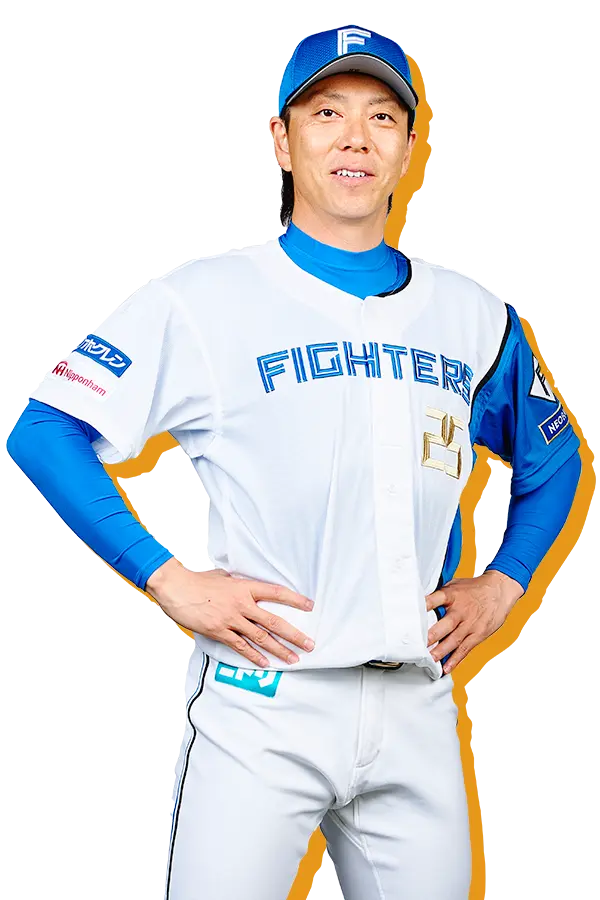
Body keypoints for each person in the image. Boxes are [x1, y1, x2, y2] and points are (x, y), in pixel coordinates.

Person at [6, 24, 582, 900]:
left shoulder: (471, 312)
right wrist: (169, 580)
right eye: (325, 113)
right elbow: (46, 430)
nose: (356, 138)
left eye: (383, 117)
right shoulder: (202, 298)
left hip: (417, 700)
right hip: (264, 698)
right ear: (280, 138)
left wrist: (504, 582)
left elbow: (554, 461)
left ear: (409, 149)